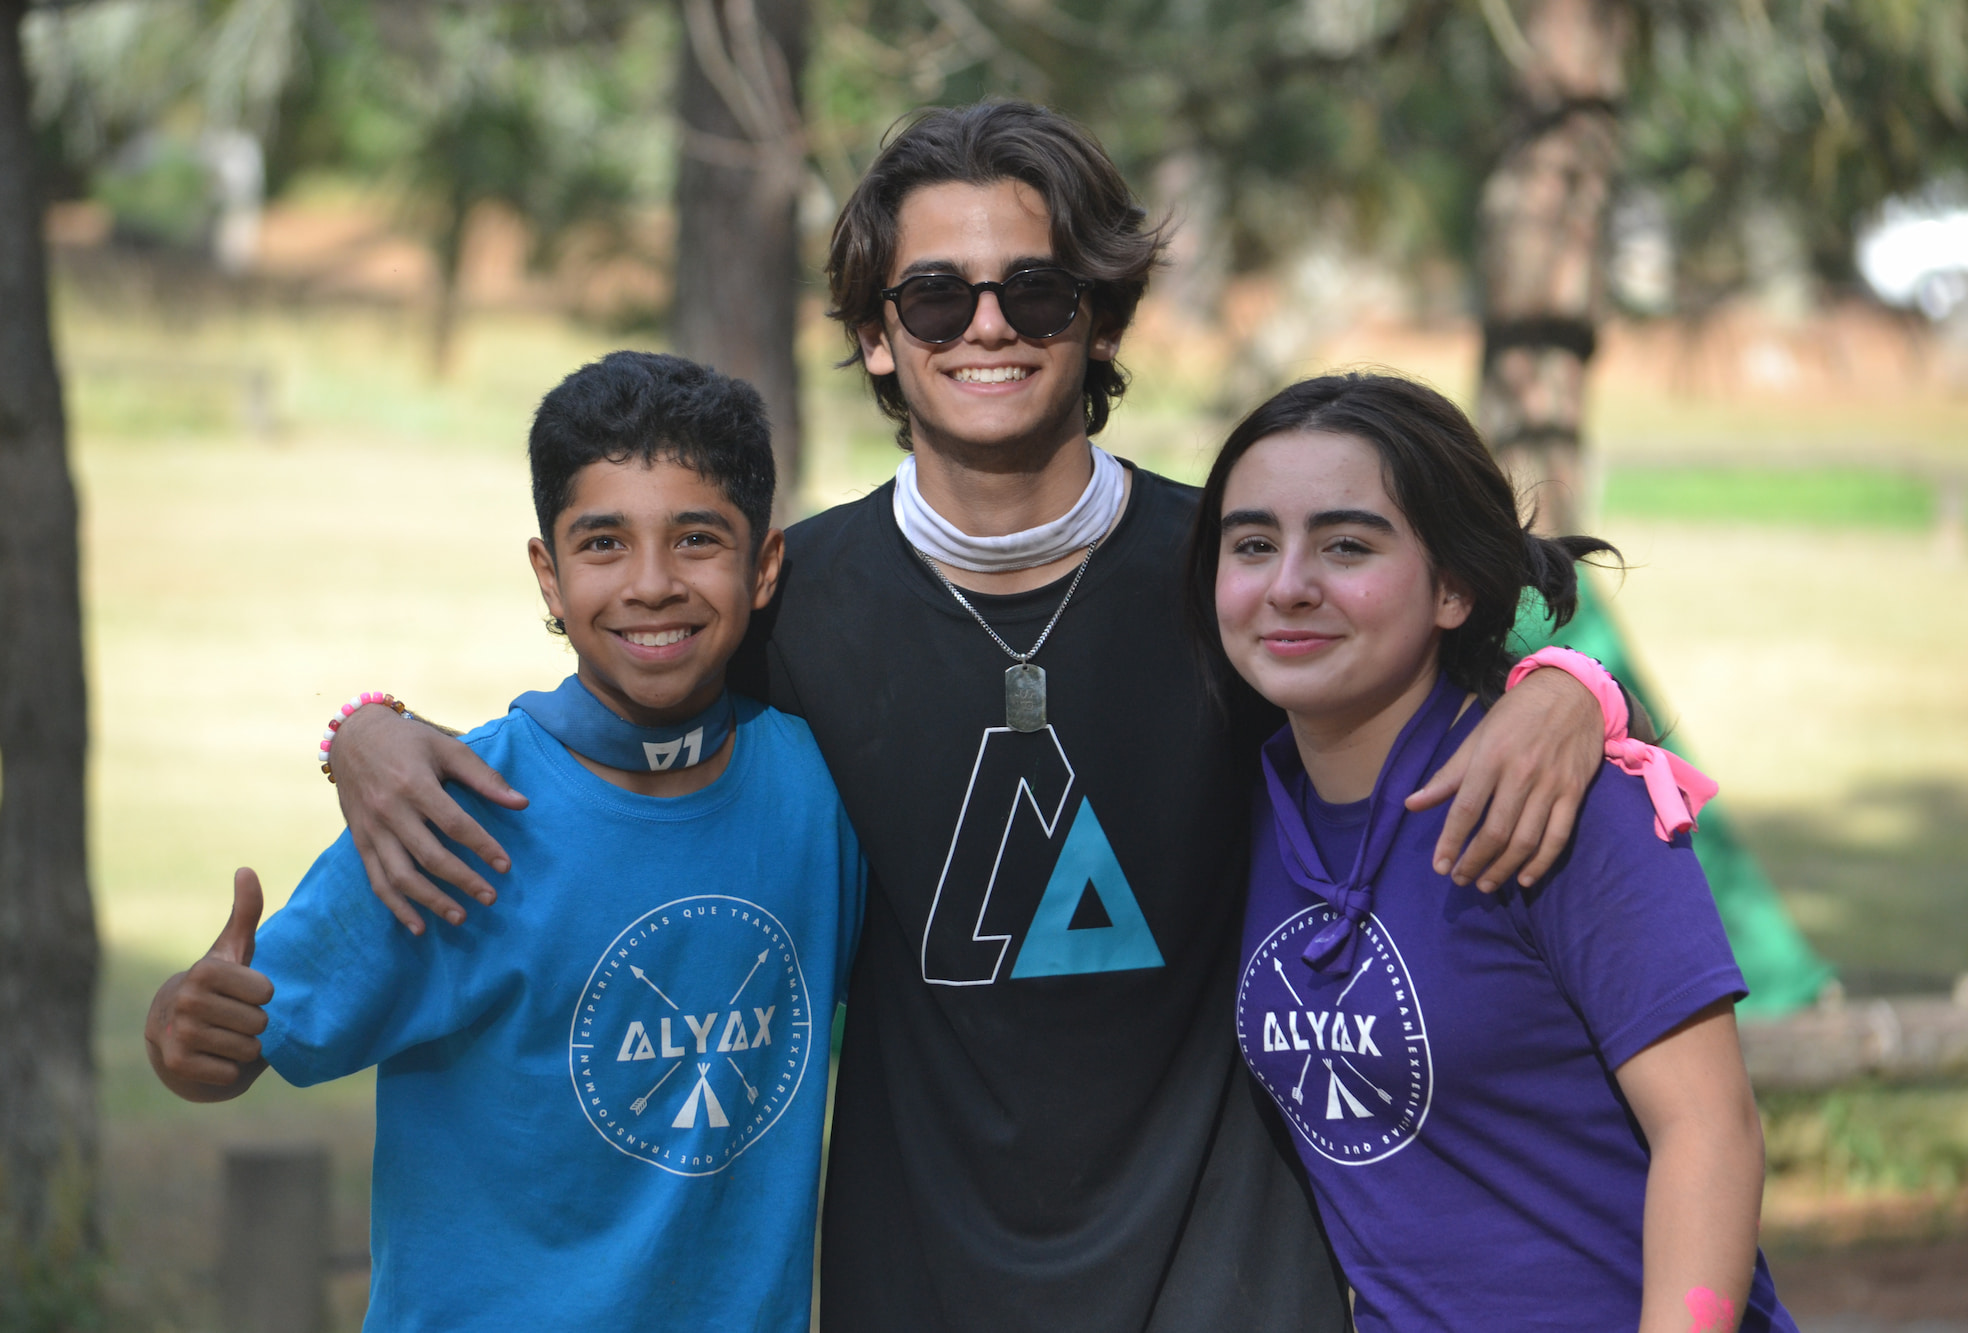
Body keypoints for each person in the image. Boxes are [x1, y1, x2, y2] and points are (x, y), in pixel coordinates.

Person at [321, 102, 1623, 1331]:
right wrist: (366, 721)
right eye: (936, 294)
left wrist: (1572, 686)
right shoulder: (792, 602)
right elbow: (606, 698)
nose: (986, 327)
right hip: (918, 1276)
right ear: (878, 334)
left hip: (1226, 1269)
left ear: (1099, 322)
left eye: (1036, 290)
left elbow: (1479, 605)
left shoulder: (1230, 569)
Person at [143, 352, 865, 1331]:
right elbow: (237, 1038)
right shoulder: (444, 814)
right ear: (548, 575)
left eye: (696, 539)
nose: (650, 584)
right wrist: (183, 1027)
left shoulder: (819, 791)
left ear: (763, 564)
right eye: (603, 543)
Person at [1194, 372, 1794, 1332]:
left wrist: (1576, 687)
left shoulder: (1562, 800)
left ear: (1452, 587)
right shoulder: (1241, 805)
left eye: (1347, 545)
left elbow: (1710, 1131)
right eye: (1253, 544)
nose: (1290, 585)